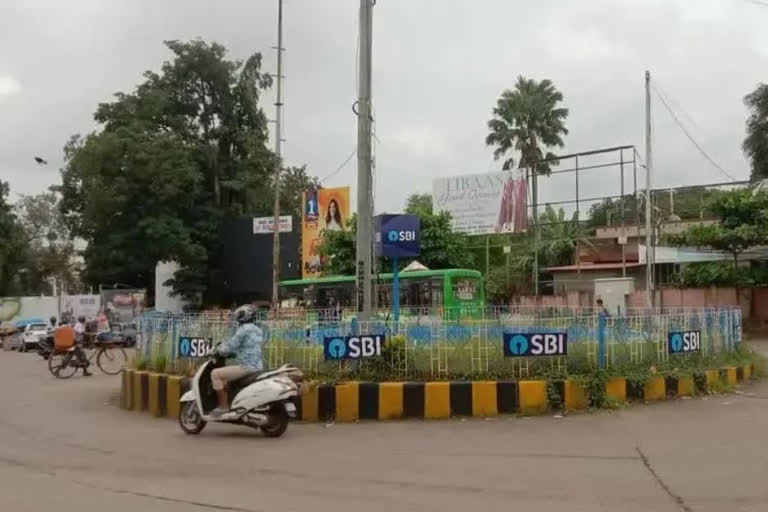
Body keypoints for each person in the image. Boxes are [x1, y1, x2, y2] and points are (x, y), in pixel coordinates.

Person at [210, 305, 264, 418]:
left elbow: (231, 345)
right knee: (227, 377)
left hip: (246, 367)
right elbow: (247, 347)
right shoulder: (258, 330)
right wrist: (233, 353)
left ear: (244, 317)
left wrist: (217, 351)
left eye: (239, 315)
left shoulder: (243, 330)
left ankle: (223, 407)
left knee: (215, 374)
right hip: (258, 367)